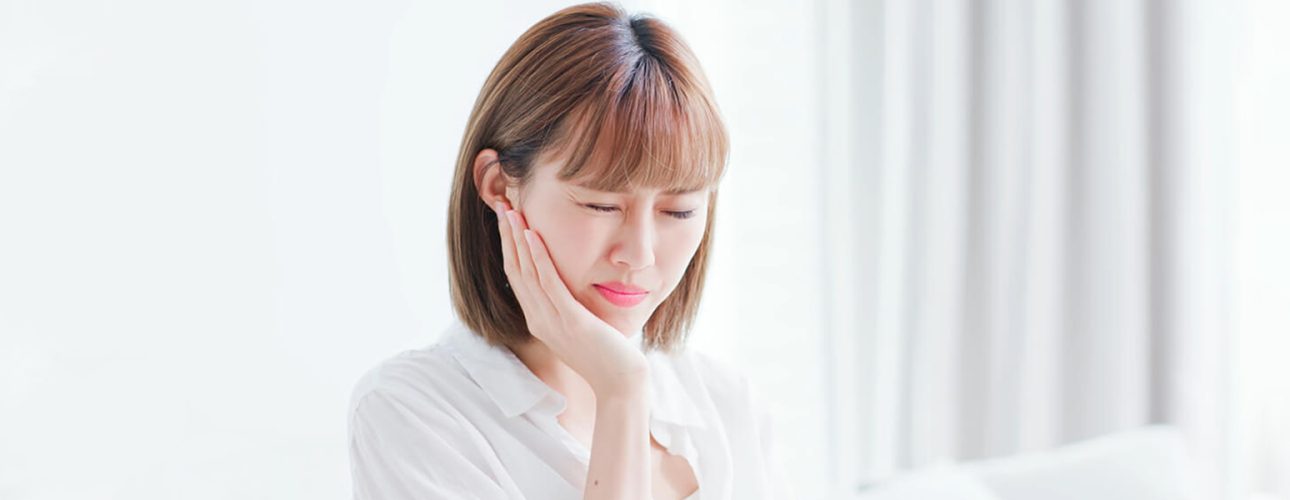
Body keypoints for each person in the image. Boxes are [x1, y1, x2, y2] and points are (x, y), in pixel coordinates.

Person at [347, 3, 794, 498]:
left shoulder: (727, 406)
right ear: (499, 187)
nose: (639, 254)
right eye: (601, 205)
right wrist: (620, 390)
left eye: (679, 212)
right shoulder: (416, 413)